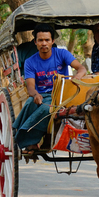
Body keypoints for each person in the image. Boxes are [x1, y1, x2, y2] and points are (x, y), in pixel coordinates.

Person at [12, 23, 87, 154]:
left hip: (62, 95)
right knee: (30, 102)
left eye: (47, 40)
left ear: (52, 41)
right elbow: (30, 86)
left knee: (48, 109)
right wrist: (35, 94)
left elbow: (81, 68)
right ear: (35, 42)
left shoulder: (62, 54)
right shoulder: (30, 62)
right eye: (40, 40)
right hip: (42, 96)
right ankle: (24, 136)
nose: (44, 43)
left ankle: (25, 138)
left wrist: (78, 76)